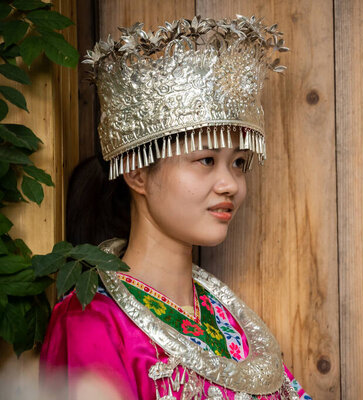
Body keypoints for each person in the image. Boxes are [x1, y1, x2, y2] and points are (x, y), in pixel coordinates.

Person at [40, 15, 311, 400]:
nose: (230, 184)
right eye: (205, 160)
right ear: (137, 175)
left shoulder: (230, 321)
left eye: (239, 163)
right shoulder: (90, 322)